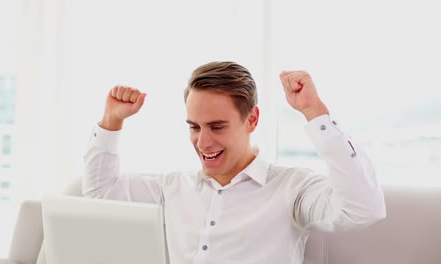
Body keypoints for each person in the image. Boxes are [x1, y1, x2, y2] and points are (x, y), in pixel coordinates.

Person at [83, 61, 386, 264]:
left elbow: (364, 209)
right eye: (194, 127)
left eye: (217, 127)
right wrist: (111, 121)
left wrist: (315, 113)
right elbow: (100, 193)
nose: (203, 143)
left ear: (251, 119)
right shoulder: (173, 187)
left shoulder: (293, 188)